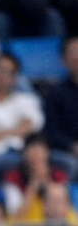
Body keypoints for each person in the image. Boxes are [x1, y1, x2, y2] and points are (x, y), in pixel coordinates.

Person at [2, 134, 69, 223]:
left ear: (47, 153)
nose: (36, 155)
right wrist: (34, 184)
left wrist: (46, 179)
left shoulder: (57, 174)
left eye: (40, 150)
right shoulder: (13, 177)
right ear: (24, 153)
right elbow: (16, 216)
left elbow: (65, 206)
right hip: (27, 224)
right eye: (32, 150)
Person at [44, 37, 78, 170]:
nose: (77, 57)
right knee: (70, 164)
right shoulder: (55, 93)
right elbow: (51, 131)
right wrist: (72, 146)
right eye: (73, 52)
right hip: (68, 150)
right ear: (63, 59)